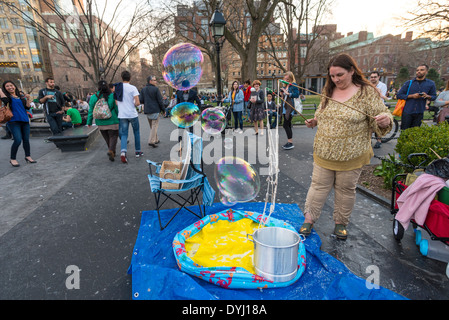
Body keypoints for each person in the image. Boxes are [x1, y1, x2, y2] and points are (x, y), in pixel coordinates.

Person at [301, 53, 393, 240]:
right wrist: (315, 120)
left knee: (345, 190)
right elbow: (322, 113)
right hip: (324, 152)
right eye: (332, 76)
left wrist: (386, 120)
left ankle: (341, 223)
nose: (336, 79)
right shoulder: (329, 90)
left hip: (352, 154)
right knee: (318, 187)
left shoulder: (366, 92)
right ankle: (309, 219)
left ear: (352, 71)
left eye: (340, 75)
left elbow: (383, 114)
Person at [0, 81, 36, 167]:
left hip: (24, 121)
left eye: (11, 85)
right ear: (5, 89)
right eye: (7, 86)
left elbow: (27, 107)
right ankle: (13, 159)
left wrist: (27, 98)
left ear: (15, 86)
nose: (10, 87)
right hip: (13, 121)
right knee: (17, 140)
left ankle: (28, 156)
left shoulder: (20, 97)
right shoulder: (7, 97)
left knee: (26, 140)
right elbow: (4, 100)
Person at [396, 64, 437, 131]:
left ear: (426, 72)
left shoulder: (431, 83)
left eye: (421, 70)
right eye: (417, 70)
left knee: (415, 132)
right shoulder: (409, 83)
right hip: (407, 110)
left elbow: (434, 96)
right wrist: (412, 96)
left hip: (419, 111)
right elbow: (399, 95)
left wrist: (427, 96)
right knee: (404, 131)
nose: (419, 71)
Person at [87, 80, 119, 162]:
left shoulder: (93, 97)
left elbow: (91, 110)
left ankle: (111, 151)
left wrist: (89, 122)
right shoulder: (112, 96)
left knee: (107, 138)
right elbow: (116, 108)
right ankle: (111, 150)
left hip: (100, 122)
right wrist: (119, 117)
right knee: (113, 136)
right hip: (112, 120)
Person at [115, 70, 143, 163]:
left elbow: (116, 102)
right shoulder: (133, 88)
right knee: (136, 132)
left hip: (122, 114)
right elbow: (138, 102)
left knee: (124, 134)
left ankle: (123, 152)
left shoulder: (117, 88)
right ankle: (138, 152)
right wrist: (133, 104)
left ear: (121, 78)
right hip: (132, 114)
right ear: (130, 78)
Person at [140, 76, 165, 148]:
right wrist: (163, 109)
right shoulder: (156, 89)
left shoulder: (143, 89)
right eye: (154, 80)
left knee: (152, 126)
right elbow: (160, 101)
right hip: (155, 110)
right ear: (150, 81)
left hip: (147, 110)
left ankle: (156, 139)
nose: (156, 81)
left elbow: (141, 100)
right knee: (154, 126)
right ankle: (151, 141)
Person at [369, 71, 389, 149]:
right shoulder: (368, 85)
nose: (373, 79)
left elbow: (382, 96)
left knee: (378, 125)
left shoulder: (382, 85)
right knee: (369, 125)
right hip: (370, 107)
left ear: (378, 77)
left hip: (379, 108)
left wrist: (376, 90)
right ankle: (368, 140)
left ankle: (379, 141)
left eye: (375, 77)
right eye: (371, 77)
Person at [281, 71, 300, 150]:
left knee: (285, 125)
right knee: (288, 125)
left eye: (288, 79)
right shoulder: (285, 86)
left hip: (290, 107)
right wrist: (282, 94)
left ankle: (290, 142)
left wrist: (288, 94)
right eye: (285, 79)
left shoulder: (293, 85)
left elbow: (296, 94)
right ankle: (289, 142)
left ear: (291, 79)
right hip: (285, 107)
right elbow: (284, 97)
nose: (286, 80)